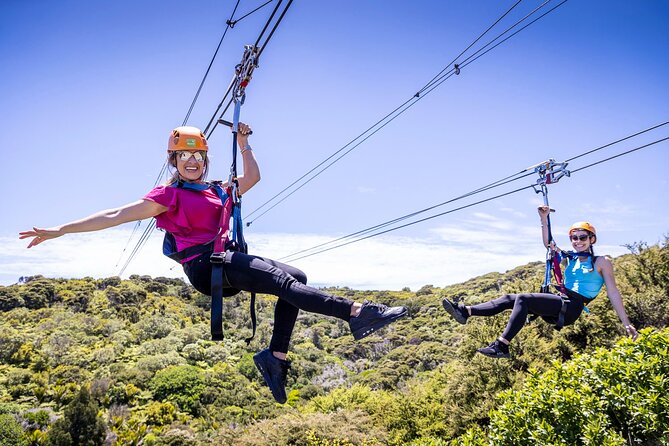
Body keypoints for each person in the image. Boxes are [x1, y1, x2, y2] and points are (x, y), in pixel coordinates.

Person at [19, 124, 408, 403]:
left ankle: (275, 358)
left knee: (296, 277)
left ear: (205, 160)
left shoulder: (219, 189)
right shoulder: (168, 195)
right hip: (207, 267)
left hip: (226, 258)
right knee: (282, 283)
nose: (191, 161)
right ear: (173, 160)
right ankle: (357, 312)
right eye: (183, 156)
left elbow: (253, 177)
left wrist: (244, 144)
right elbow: (116, 214)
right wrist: (61, 230)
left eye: (197, 155)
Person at [441, 205, 638, 358]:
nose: (578, 241)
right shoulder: (569, 258)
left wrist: (626, 322)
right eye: (574, 238)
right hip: (560, 300)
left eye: (582, 237)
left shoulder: (601, 262)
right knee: (512, 297)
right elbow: (549, 245)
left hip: (572, 307)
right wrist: (543, 219)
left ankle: (501, 345)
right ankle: (466, 311)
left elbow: (613, 292)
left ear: (592, 239)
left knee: (524, 299)